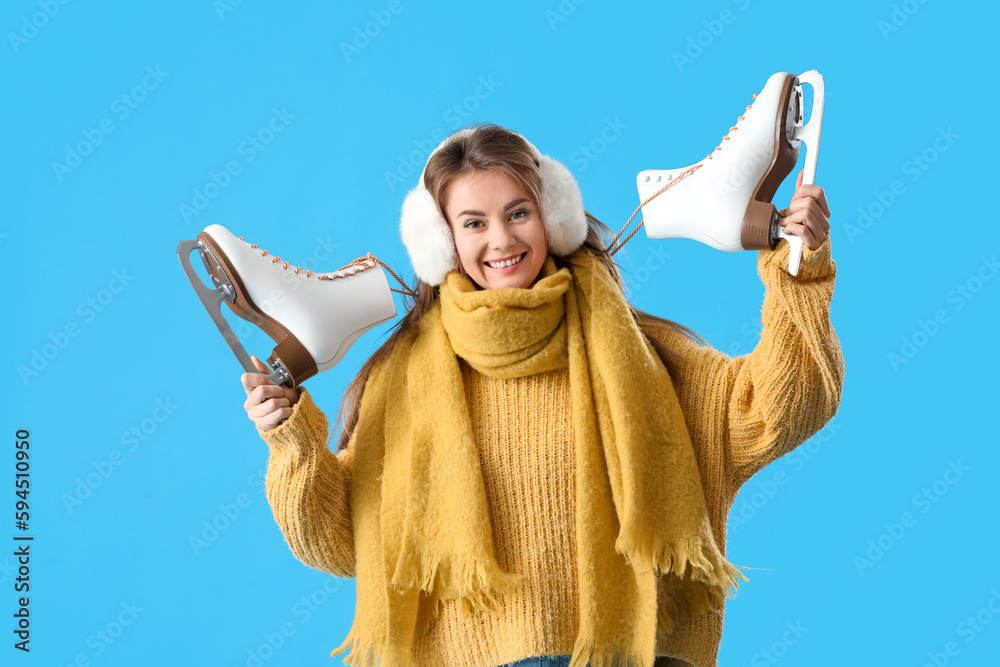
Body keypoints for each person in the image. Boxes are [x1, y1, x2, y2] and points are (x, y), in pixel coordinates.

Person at [241, 123, 844, 667]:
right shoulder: (403, 384)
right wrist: (290, 439)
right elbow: (341, 543)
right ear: (443, 242)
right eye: (473, 222)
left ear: (553, 216)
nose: (500, 239)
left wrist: (798, 268)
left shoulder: (648, 356)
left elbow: (782, 407)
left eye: (518, 212)